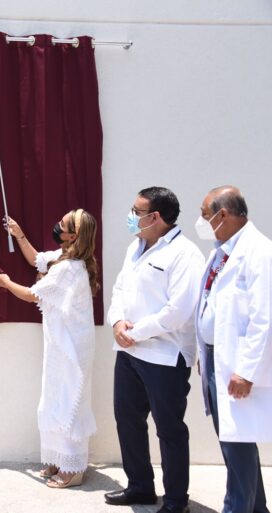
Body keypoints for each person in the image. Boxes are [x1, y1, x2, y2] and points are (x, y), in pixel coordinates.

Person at [105, 187, 204, 513]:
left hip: (165, 356)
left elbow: (179, 310)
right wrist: (118, 322)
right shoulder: (136, 247)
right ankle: (140, 487)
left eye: (136, 210)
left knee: (169, 429)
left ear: (155, 217)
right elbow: (119, 288)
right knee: (128, 420)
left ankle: (176, 501)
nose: (131, 216)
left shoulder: (184, 254)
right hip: (130, 353)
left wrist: (137, 332)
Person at [0, 209, 99, 488]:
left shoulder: (69, 267)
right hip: (60, 343)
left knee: (70, 401)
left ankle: (73, 468)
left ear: (73, 236)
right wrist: (19, 234)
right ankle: (59, 457)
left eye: (62, 225)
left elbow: (32, 294)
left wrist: (5, 283)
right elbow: (36, 259)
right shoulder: (63, 258)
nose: (57, 226)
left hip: (72, 347)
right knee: (55, 398)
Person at [195, 186, 271, 513]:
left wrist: (246, 371)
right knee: (234, 441)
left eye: (204, 214)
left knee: (236, 442)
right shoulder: (221, 250)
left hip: (237, 366)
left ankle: (237, 508)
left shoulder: (259, 252)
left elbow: (263, 319)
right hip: (216, 359)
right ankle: (256, 508)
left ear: (222, 214)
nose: (201, 221)